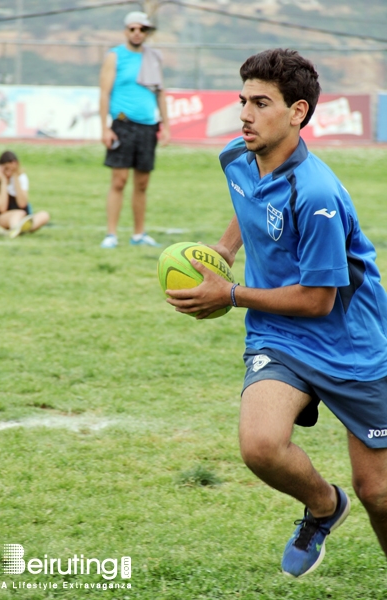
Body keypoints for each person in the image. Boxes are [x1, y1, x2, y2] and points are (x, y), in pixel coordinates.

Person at [166, 48, 387, 578]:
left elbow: (319, 299)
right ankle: (323, 506)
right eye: (242, 99)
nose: (244, 113)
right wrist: (225, 248)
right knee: (261, 446)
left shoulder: (316, 195)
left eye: (261, 103)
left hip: (353, 345)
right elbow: (249, 200)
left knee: (379, 492)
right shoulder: (237, 156)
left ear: (298, 112)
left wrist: (232, 293)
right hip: (280, 335)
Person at [99, 11, 170, 249]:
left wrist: (166, 125)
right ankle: (111, 234)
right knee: (119, 181)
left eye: (142, 29)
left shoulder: (154, 58)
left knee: (142, 184)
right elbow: (104, 93)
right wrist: (105, 128)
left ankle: (139, 234)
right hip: (122, 124)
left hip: (148, 127)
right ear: (126, 31)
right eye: (133, 29)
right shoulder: (115, 56)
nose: (137, 33)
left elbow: (160, 92)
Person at [0, 150, 50, 239]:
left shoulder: (20, 178)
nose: (9, 173)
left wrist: (15, 177)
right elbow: (2, 208)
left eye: (12, 170)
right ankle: (16, 229)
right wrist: (3, 182)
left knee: (44, 215)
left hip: (21, 217)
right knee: (18, 214)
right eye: (6, 169)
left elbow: (22, 204)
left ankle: (14, 230)